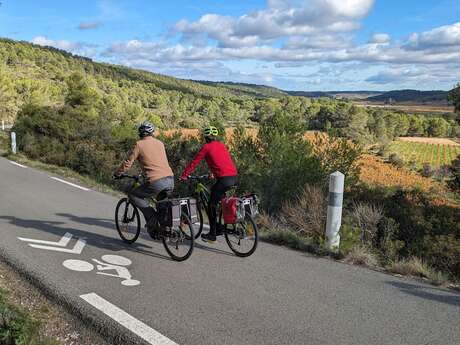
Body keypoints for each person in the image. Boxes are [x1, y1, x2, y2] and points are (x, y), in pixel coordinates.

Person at [114, 121, 174, 236]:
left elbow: (128, 163)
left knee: (133, 194)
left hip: (156, 182)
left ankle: (152, 218)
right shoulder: (160, 143)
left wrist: (117, 173)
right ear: (152, 133)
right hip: (170, 179)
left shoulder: (139, 145)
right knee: (162, 204)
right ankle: (163, 229)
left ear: (140, 133)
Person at [181, 126, 238, 243]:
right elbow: (221, 160)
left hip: (223, 179)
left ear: (206, 137)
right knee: (218, 198)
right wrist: (213, 173)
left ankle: (212, 234)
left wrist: (184, 175)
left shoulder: (206, 147)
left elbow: (194, 162)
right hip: (233, 177)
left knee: (211, 205)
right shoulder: (221, 145)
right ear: (215, 137)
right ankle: (220, 227)